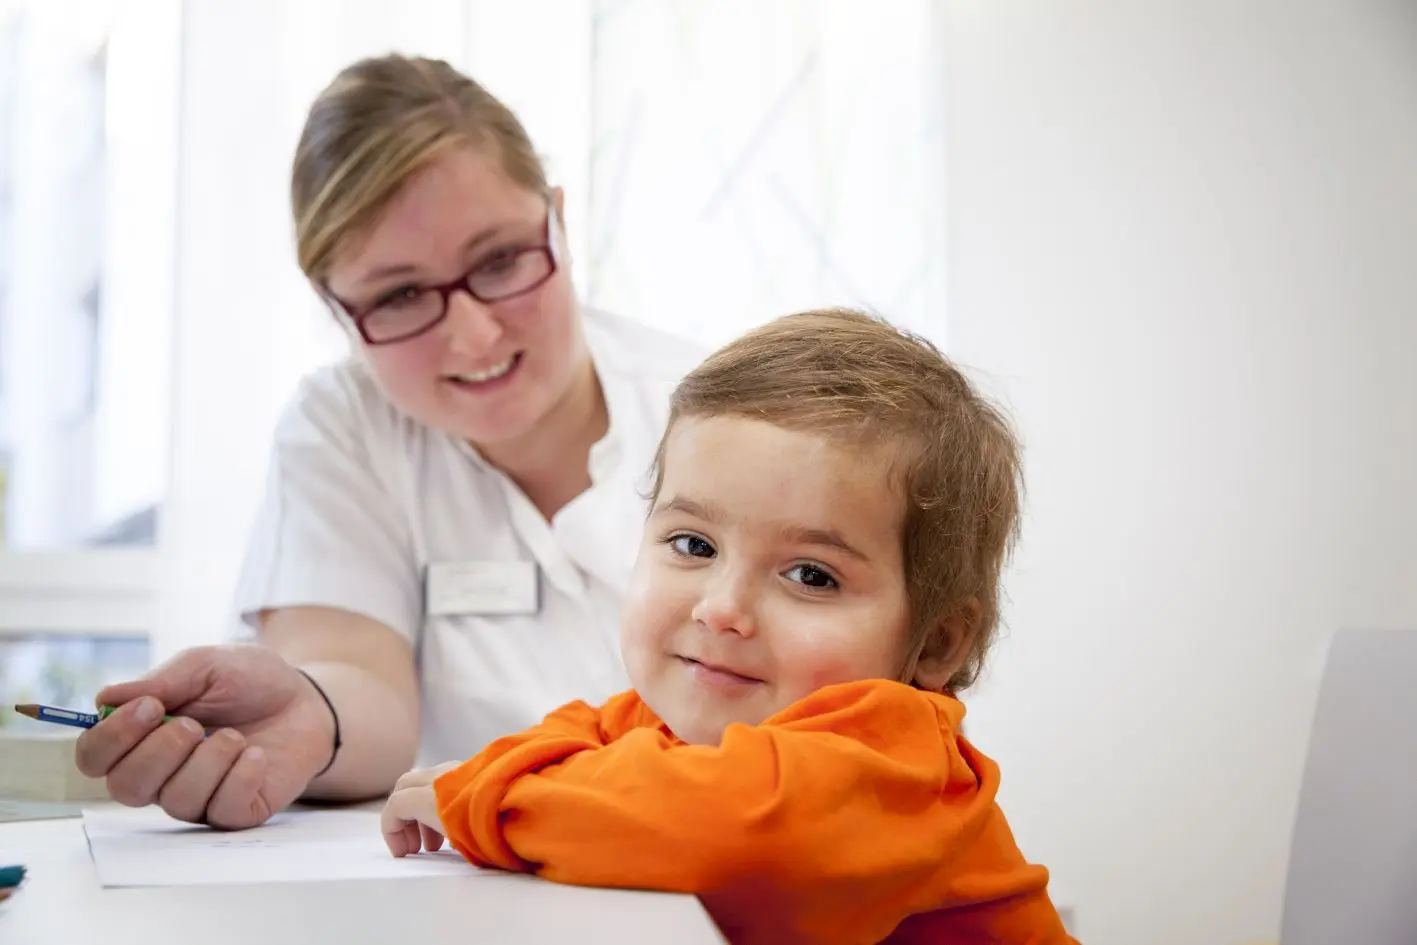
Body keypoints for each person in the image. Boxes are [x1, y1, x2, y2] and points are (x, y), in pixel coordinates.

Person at [72, 53, 704, 830]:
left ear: (559, 223)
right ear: (335, 305)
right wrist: (307, 711)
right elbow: (356, 684)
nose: (473, 336)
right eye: (401, 294)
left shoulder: (717, 409)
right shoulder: (343, 426)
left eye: (500, 260)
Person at [380, 309, 1076, 945]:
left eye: (810, 575)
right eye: (693, 545)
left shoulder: (894, 758)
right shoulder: (665, 723)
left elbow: (719, 830)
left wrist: (486, 799)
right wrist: (490, 772)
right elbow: (573, 739)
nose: (720, 608)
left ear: (936, 643)